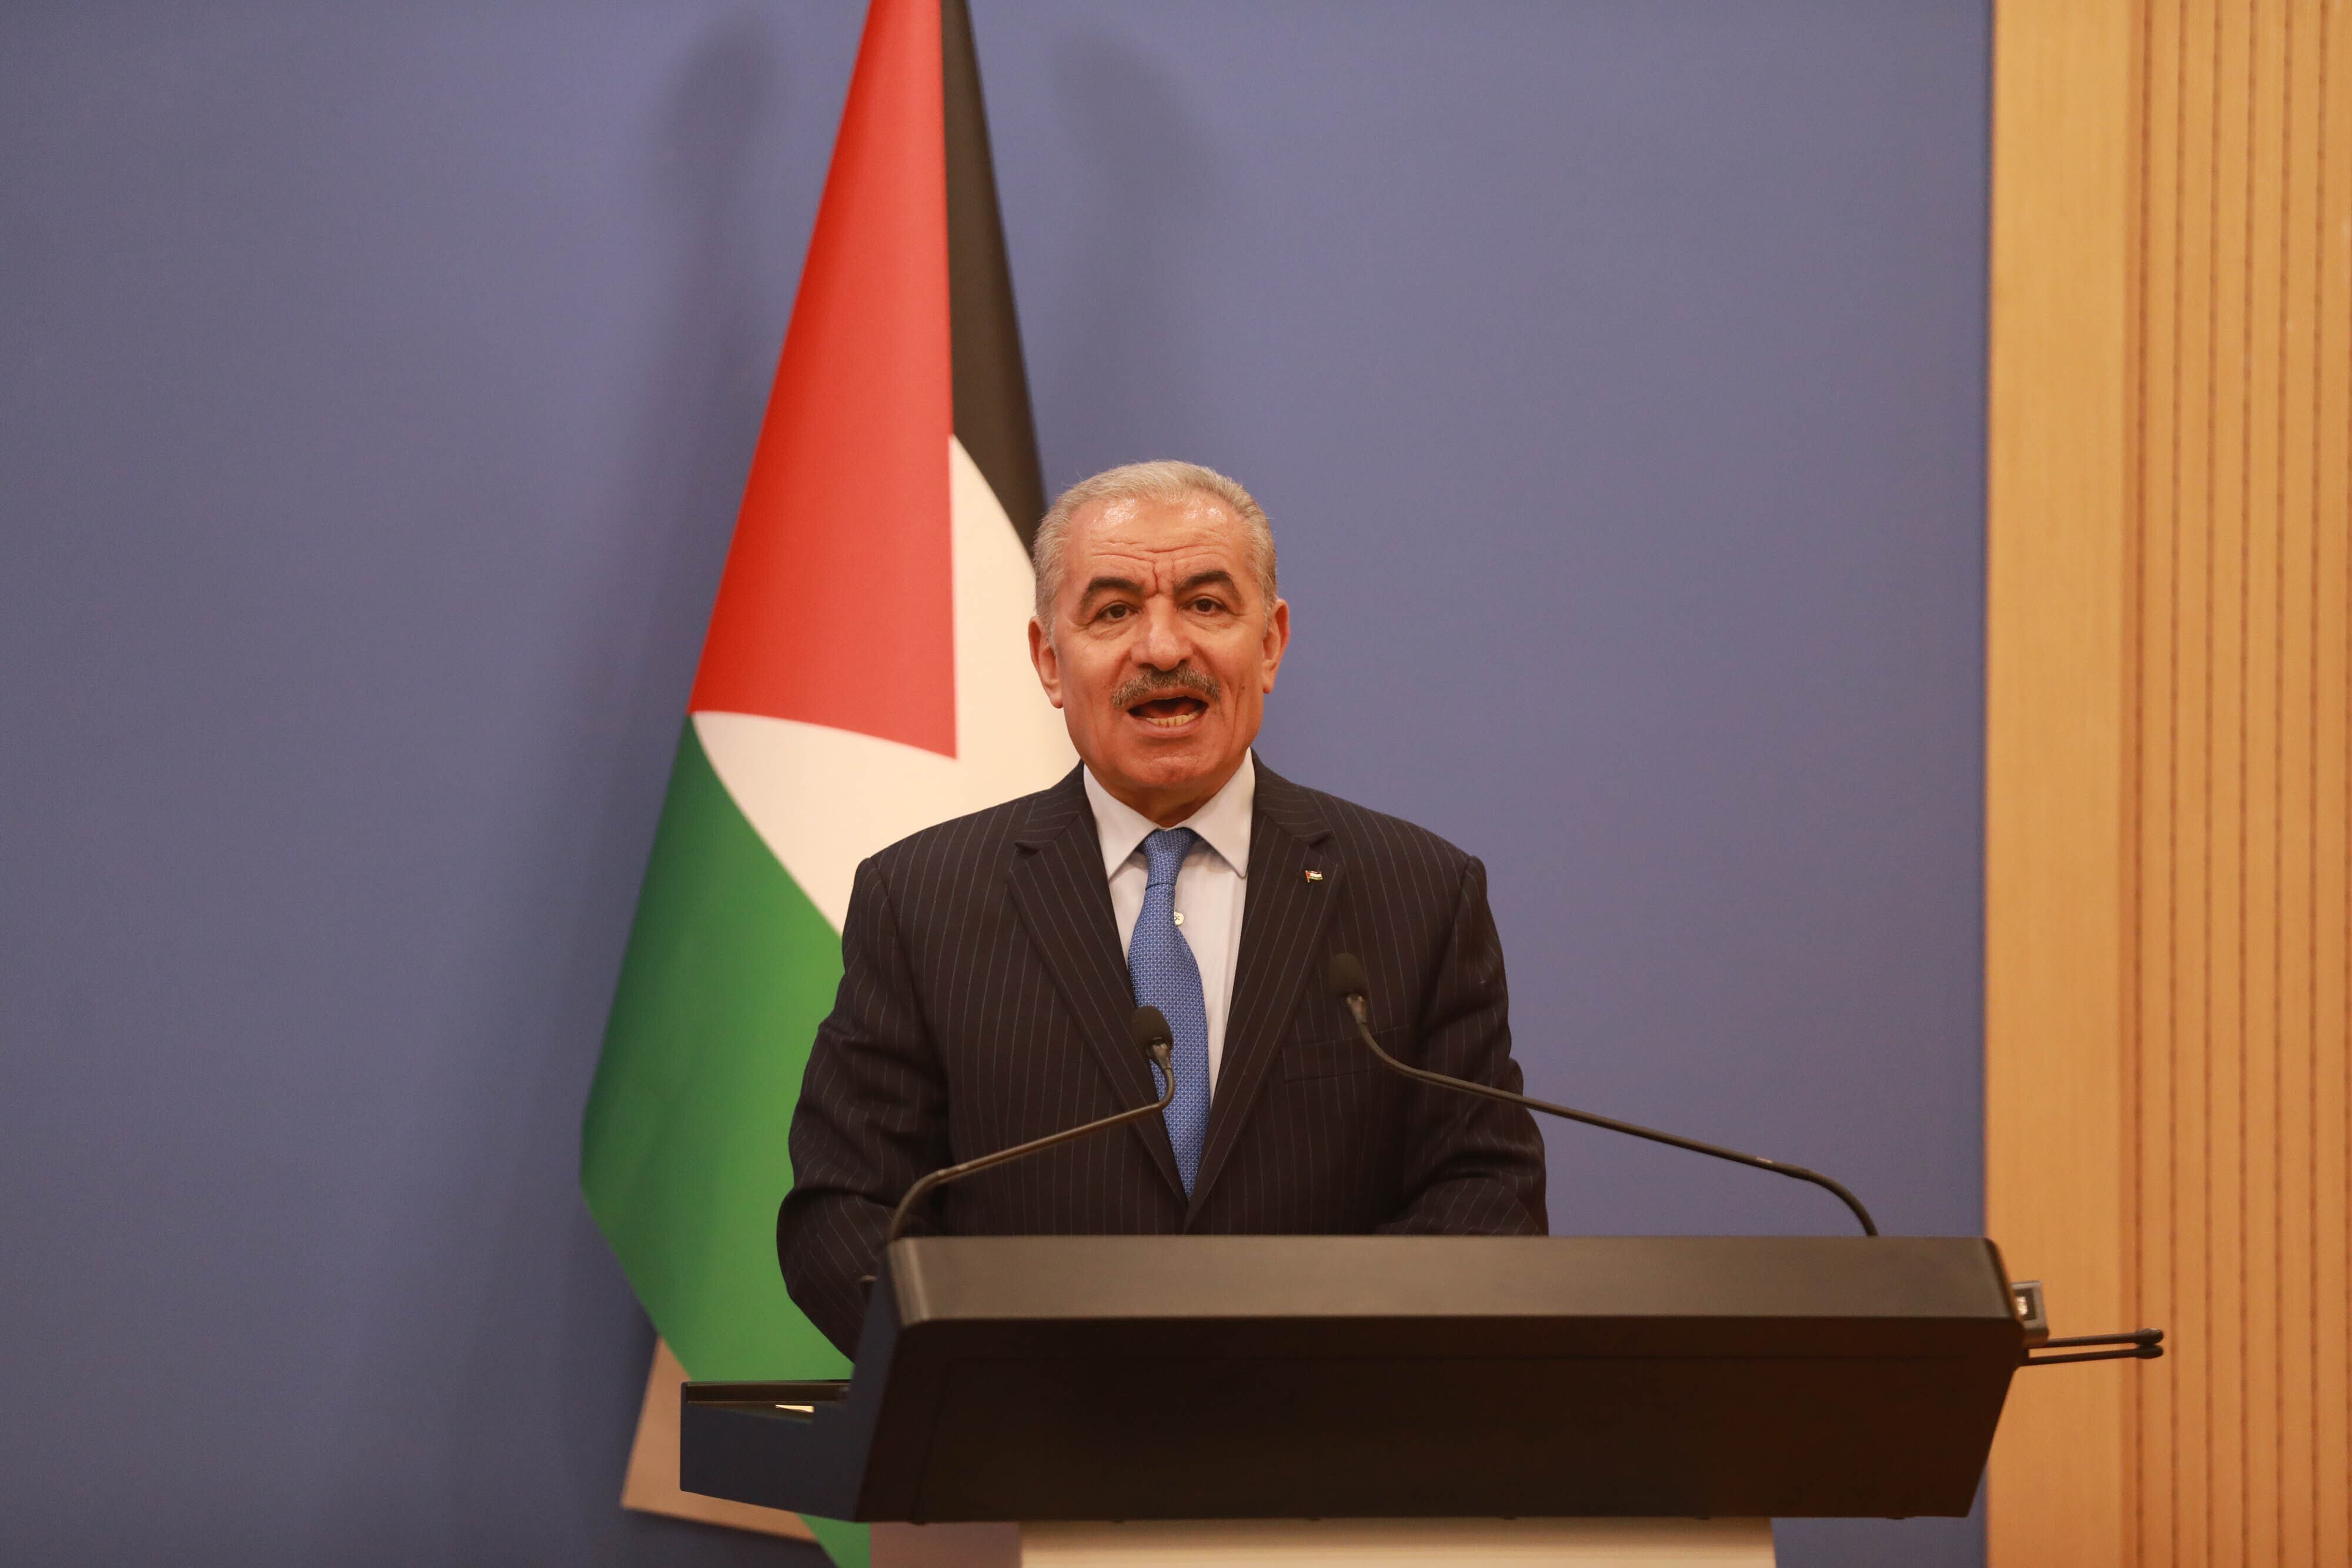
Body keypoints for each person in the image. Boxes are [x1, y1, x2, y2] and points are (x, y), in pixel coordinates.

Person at [777, 461, 1546, 1357]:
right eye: (1112, 612)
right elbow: (843, 1214)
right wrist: (1003, 1380)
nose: (1163, 649)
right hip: (1026, 1452)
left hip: (1330, 1451)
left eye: (1207, 605)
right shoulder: (923, 900)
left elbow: (1484, 1193)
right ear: (1047, 660)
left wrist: (1303, 1367)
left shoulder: (1418, 891)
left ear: (1271, 643)